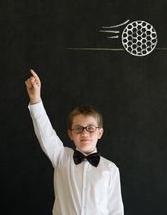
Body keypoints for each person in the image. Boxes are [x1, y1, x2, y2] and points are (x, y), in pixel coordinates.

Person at [25, 69, 124, 215]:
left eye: (90, 128)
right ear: (70, 134)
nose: (84, 133)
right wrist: (35, 99)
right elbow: (46, 133)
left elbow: (116, 211)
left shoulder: (110, 169)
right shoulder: (61, 157)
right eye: (78, 128)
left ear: (100, 132)